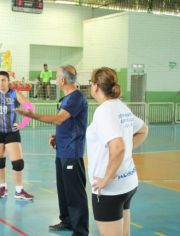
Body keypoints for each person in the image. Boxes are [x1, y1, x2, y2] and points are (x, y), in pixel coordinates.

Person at [16, 65, 89, 236]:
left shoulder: (76, 98)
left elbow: (58, 119)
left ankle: (81, 230)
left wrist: (31, 115)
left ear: (63, 80)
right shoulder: (66, 99)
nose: (56, 79)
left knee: (75, 193)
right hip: (62, 150)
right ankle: (67, 221)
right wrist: (57, 137)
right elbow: (66, 124)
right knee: (64, 190)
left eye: (57, 76)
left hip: (72, 152)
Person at [86, 67, 148, 236]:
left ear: (96, 86)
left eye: (91, 83)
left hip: (110, 190)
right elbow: (143, 130)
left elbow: (118, 146)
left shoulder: (104, 111)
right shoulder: (121, 107)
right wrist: (125, 150)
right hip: (128, 183)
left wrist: (106, 178)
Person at [0, 71, 34, 200]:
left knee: (18, 162)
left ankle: (19, 190)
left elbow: (30, 107)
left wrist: (22, 124)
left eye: (4, 80)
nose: (1, 83)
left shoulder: (15, 94)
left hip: (11, 132)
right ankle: (2, 187)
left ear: (8, 81)